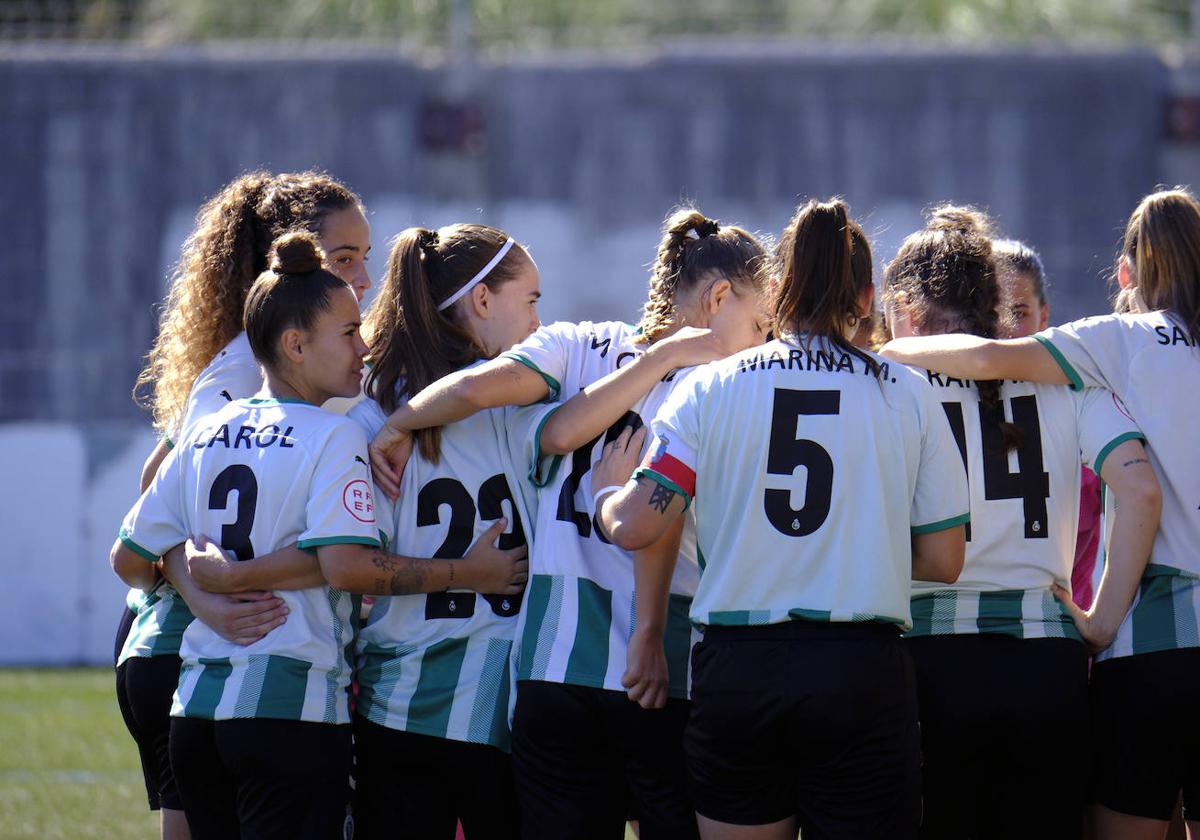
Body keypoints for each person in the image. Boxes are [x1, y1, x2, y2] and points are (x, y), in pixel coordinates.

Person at [369, 208, 771, 839]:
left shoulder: (576, 342)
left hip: (550, 668)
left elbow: (494, 398)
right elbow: (659, 518)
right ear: (719, 297)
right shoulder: (723, 385)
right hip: (660, 667)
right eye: (759, 321)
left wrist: (399, 422)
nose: (764, 340)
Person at [110, 233, 526, 839]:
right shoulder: (334, 437)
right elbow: (347, 566)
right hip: (289, 704)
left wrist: (206, 592)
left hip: (195, 710)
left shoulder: (207, 431)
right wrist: (469, 573)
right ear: (295, 345)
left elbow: (127, 557)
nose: (364, 349)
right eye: (350, 334)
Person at [596, 198, 968, 840]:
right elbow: (944, 560)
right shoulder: (908, 393)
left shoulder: (709, 387)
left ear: (775, 288)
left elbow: (636, 525)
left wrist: (607, 495)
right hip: (860, 670)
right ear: (868, 295)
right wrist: (850, 545)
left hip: (741, 671)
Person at [880, 188, 1196, 840]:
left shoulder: (894, 381)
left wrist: (884, 353)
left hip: (934, 660)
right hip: (1043, 667)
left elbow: (989, 364)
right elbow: (1138, 489)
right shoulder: (1072, 386)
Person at [114, 170, 373, 839]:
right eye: (343, 260)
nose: (363, 278)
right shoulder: (245, 374)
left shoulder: (287, 378)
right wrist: (210, 590)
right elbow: (156, 485)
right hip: (203, 647)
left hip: (207, 664)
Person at [345, 223, 541, 839]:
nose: (540, 323)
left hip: (390, 696)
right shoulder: (528, 400)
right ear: (482, 301)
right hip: (497, 697)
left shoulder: (364, 409)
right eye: (531, 300)